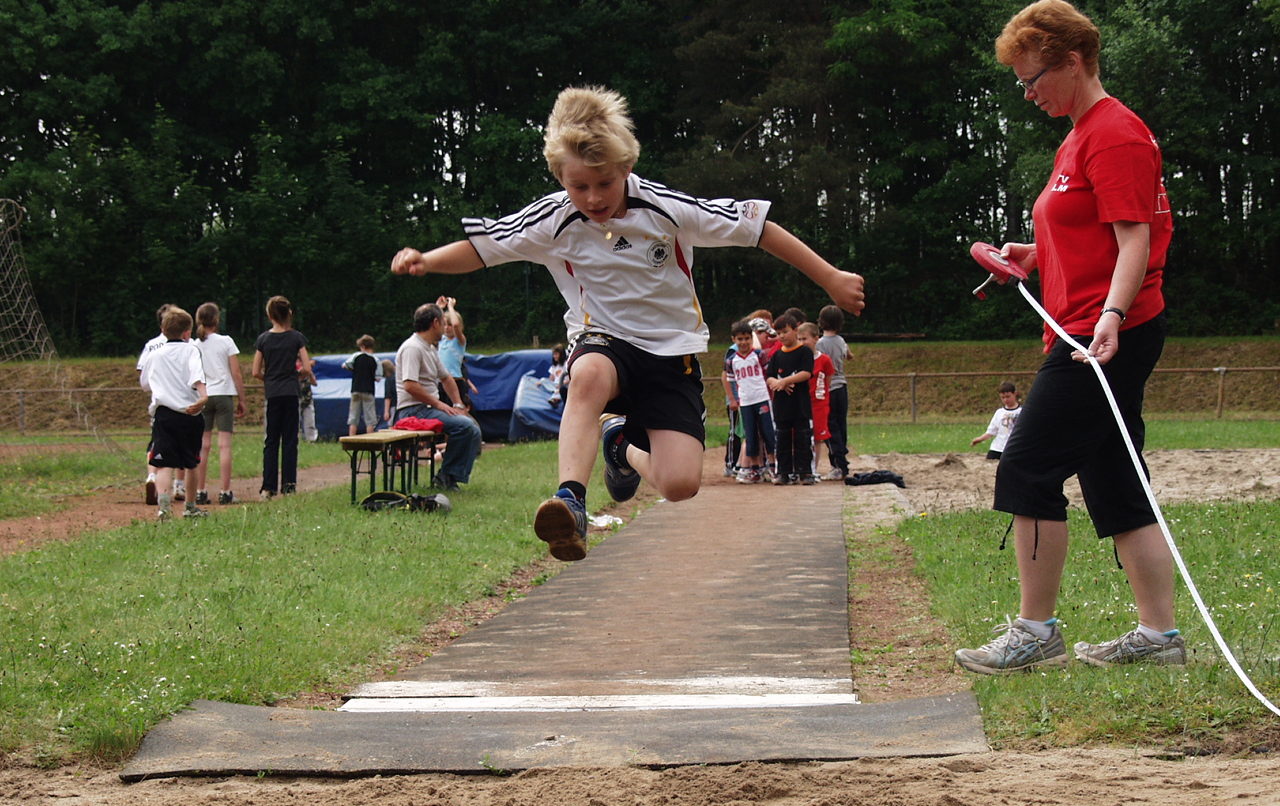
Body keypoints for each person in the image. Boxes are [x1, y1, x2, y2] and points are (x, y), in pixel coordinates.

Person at [390, 86, 864, 562]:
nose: (593, 198)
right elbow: (482, 248)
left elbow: (758, 229)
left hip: (669, 352)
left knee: (679, 484)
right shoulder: (552, 219)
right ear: (560, 178)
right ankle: (570, 501)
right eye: (579, 187)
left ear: (626, 169)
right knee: (589, 373)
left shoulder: (666, 210)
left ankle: (620, 445)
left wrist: (831, 276)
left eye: (604, 184)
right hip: (603, 339)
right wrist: (426, 261)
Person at [955, 0, 1179, 674]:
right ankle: (1159, 638)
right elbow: (1089, 234)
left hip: (1100, 336)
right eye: (1021, 83)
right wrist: (1033, 254)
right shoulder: (1079, 135)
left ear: (1074, 61)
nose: (1028, 94)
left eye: (1034, 79)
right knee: (1114, 476)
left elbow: (1135, 235)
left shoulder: (1115, 133)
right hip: (1088, 327)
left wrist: (1110, 316)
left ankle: (1035, 632)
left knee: (1024, 464)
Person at [392, 302, 483, 491]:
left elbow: (447, 378)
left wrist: (458, 405)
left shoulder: (429, 348)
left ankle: (449, 476)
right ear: (435, 323)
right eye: (443, 322)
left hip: (427, 409)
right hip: (413, 411)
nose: (444, 326)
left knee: (471, 427)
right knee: (465, 427)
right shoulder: (412, 348)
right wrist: (440, 404)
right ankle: (446, 477)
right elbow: (410, 385)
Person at [138, 306, 208, 520]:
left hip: (164, 415)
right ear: (187, 332)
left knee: (163, 464)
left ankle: (164, 508)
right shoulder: (191, 351)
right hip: (189, 413)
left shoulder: (154, 354)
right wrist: (203, 396)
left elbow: (145, 385)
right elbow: (197, 377)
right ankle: (190, 506)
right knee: (191, 462)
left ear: (163, 329)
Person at [253, 296, 313, 499]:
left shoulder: (263, 340)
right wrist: (294, 377)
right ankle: (289, 485)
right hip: (291, 392)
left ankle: (268, 487)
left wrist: (269, 378)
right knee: (290, 440)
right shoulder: (297, 338)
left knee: (271, 440)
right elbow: (306, 367)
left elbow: (255, 371)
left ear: (269, 315)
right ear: (289, 314)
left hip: (273, 392)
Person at [192, 302, 246, 505]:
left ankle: (200, 490)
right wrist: (242, 398)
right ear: (216, 320)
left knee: (203, 445)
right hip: (223, 394)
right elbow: (236, 373)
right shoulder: (226, 342)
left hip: (203, 395)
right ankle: (225, 491)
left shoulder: (194, 345)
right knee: (224, 446)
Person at [138, 303, 186, 505]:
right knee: (184, 446)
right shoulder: (187, 345)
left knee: (157, 443)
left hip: (160, 404)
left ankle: (152, 476)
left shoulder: (152, 346)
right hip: (184, 403)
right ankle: (179, 485)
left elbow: (144, 379)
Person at [766, 314, 815, 485]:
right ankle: (783, 473)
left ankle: (805, 472)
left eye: (785, 332)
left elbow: (806, 373)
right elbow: (769, 376)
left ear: (795, 330)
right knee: (782, 439)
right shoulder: (777, 355)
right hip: (782, 405)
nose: (782, 336)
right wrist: (778, 383)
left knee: (802, 438)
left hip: (800, 404)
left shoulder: (804, 352)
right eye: (778, 333)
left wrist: (786, 381)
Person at [725, 320, 775, 484]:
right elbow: (731, 381)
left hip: (761, 398)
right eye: (740, 339)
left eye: (747, 338)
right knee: (751, 435)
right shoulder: (732, 360)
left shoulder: (759, 355)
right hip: (745, 402)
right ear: (734, 339)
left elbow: (768, 375)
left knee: (768, 432)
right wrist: (734, 399)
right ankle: (755, 468)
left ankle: (773, 465)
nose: (744, 342)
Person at [816, 305, 853, 480]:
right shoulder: (841, 341)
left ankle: (838, 464)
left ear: (821, 322)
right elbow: (849, 355)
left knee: (830, 427)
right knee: (841, 424)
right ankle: (841, 459)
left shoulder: (820, 343)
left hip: (828, 388)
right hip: (842, 387)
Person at [798, 322, 834, 478]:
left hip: (818, 403)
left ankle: (814, 468)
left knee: (818, 438)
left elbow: (828, 379)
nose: (802, 342)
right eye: (799, 339)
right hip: (802, 403)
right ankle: (801, 466)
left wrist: (822, 394)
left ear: (816, 339)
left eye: (805, 339)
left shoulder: (824, 360)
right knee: (801, 436)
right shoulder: (797, 358)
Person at [437, 296, 477, 410]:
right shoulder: (441, 339)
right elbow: (432, 324)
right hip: (441, 383)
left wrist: (450, 307)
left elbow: (455, 325)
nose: (447, 328)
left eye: (449, 325)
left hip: (455, 382)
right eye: (444, 325)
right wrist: (439, 308)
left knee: (457, 411)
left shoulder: (459, 341)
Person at [970, 381, 1022, 460]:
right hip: (998, 448)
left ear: (1015, 394)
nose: (1005, 400)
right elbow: (992, 431)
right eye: (1003, 397)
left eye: (1008, 397)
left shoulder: (1022, 412)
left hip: (1014, 448)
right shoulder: (999, 412)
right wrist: (979, 439)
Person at [343, 334, 382, 436]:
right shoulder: (376, 360)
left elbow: (345, 365)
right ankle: (370, 438)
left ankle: (351, 438)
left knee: (353, 416)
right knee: (370, 418)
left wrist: (354, 369)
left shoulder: (356, 356)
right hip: (368, 390)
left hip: (356, 388)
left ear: (363, 346)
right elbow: (378, 378)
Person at [297, 358, 319, 443]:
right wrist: (307, 366)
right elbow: (300, 372)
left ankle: (311, 439)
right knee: (295, 421)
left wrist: (309, 373)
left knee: (310, 421)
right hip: (297, 398)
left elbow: (315, 383)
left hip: (307, 399)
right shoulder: (296, 370)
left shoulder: (307, 372)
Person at [381, 359, 397, 425]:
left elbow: (388, 396)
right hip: (400, 404)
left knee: (391, 424)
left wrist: (386, 411)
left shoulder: (388, 380)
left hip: (393, 405)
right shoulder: (397, 377)